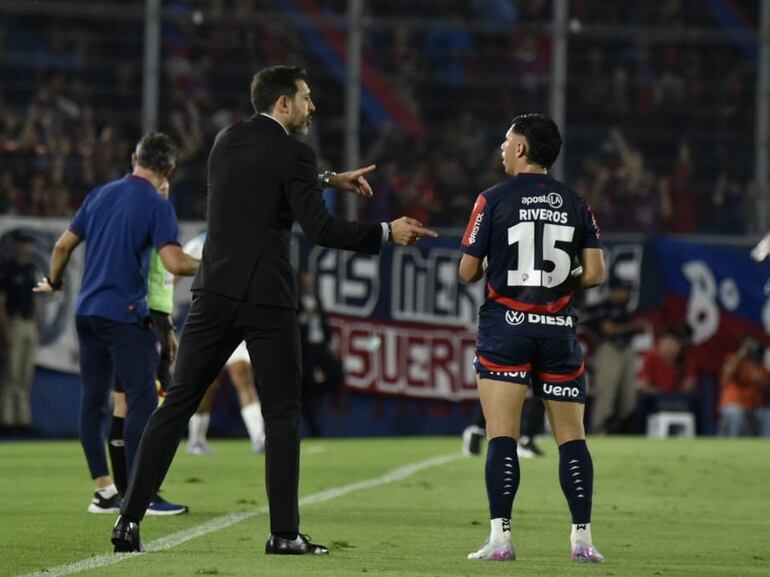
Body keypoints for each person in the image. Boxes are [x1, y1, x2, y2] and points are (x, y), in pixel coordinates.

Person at [111, 65, 436, 555]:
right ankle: (284, 533)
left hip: (214, 293)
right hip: (267, 300)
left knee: (175, 405)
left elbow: (269, 174)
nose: (312, 106)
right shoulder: (295, 153)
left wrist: (328, 178)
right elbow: (322, 230)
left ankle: (128, 521)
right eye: (305, 97)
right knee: (282, 414)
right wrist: (387, 232)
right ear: (283, 104)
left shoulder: (226, 140)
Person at [459, 113, 605, 563]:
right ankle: (582, 540)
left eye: (506, 141)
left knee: (502, 435)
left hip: (506, 326)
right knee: (572, 438)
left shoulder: (492, 199)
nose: (501, 148)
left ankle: (501, 540)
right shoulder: (577, 202)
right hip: (558, 329)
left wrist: (501, 269)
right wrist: (556, 284)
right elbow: (596, 274)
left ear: (521, 149)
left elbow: (467, 270)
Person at [34, 132, 199, 514]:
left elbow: (60, 247)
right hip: (124, 317)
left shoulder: (100, 195)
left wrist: (56, 282)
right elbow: (175, 263)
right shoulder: (157, 204)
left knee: (94, 403)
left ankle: (104, 490)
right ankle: (139, 495)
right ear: (169, 169)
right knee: (143, 400)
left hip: (86, 312)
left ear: (133, 157)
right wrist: (217, 268)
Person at [106, 180, 188, 516]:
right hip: (143, 317)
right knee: (147, 406)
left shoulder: (149, 217)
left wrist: (166, 322)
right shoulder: (148, 219)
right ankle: (142, 494)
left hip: (149, 317)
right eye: (160, 182)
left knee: (126, 404)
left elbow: (164, 275)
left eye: (169, 183)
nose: (165, 187)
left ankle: (129, 491)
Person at [182, 233, 266, 456]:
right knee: (208, 385)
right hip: (209, 323)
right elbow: (174, 269)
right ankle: (196, 439)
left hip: (237, 321)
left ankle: (259, 437)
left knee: (243, 377)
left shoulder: (243, 238)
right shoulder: (199, 243)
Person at [589, 278, 648, 434]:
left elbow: (638, 328)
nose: (626, 293)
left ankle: (623, 429)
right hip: (609, 348)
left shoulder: (626, 309)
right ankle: (598, 428)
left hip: (627, 349)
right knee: (606, 391)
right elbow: (609, 329)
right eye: (624, 290)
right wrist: (633, 326)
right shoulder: (605, 306)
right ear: (614, 290)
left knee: (628, 394)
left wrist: (635, 328)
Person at [0, 234, 39, 434]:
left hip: (29, 322)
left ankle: (23, 420)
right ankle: (7, 420)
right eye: (22, 244)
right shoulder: (7, 269)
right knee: (12, 373)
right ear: (16, 246)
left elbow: (34, 300)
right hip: (14, 321)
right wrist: (6, 329)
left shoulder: (30, 269)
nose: (26, 248)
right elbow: (1, 303)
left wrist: (37, 325)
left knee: (25, 374)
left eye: (28, 244)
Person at [298, 269, 344, 437]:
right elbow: (292, 323)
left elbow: (324, 322)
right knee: (307, 391)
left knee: (337, 371)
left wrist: (331, 344)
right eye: (306, 279)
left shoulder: (316, 298)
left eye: (311, 279)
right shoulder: (295, 299)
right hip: (306, 348)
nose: (309, 282)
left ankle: (323, 392)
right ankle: (315, 430)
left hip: (321, 346)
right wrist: (305, 317)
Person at [635, 329, 697, 433]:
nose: (669, 347)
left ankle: (699, 435)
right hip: (656, 397)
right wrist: (659, 392)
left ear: (679, 346)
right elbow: (642, 385)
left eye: (673, 344)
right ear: (660, 344)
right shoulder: (651, 357)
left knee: (695, 399)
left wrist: (681, 389)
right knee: (642, 401)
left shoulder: (684, 360)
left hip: (676, 397)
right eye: (666, 343)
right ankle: (639, 435)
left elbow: (689, 385)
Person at [718, 337, 770, 436]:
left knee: (768, 416)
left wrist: (753, 366)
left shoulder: (760, 365)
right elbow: (726, 376)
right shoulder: (733, 359)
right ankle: (733, 447)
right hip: (733, 406)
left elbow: (764, 384)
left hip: (753, 409)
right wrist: (741, 355)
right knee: (736, 414)